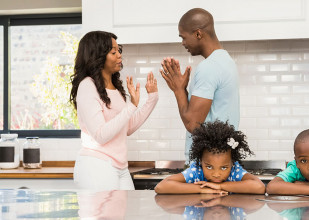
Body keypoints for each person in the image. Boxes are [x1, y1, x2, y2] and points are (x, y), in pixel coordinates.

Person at [70, 31, 158, 190]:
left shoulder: (115, 88)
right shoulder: (87, 86)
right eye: (113, 52)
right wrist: (131, 106)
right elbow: (100, 135)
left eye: (119, 50)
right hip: (96, 165)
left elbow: (127, 128)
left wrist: (152, 98)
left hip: (120, 166)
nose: (119, 56)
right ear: (97, 56)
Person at [160, 8, 240, 162]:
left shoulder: (209, 67)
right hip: (220, 160)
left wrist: (178, 90)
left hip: (208, 162)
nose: (183, 43)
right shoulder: (226, 61)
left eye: (183, 37)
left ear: (198, 34)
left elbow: (193, 125)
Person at [154, 120, 265, 194]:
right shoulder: (197, 171)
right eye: (209, 167)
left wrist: (221, 186)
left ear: (232, 163)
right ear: (200, 161)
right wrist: (203, 189)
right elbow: (161, 187)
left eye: (224, 168)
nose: (216, 174)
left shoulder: (234, 171)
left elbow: (259, 187)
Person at [155, 193, 265, 220]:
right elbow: (256, 205)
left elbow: (165, 205)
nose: (216, 215)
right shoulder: (235, 214)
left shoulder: (196, 213)